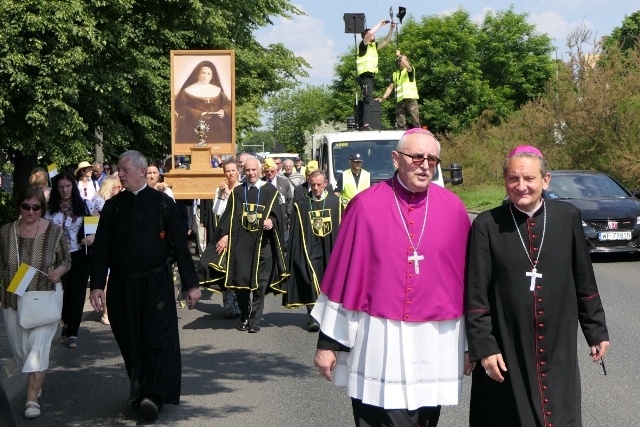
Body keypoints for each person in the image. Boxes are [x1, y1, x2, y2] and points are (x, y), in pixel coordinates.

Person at [312, 129, 472, 427]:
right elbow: (343, 275)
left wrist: (468, 345)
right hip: (378, 334)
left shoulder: (453, 208)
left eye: (432, 159)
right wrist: (327, 343)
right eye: (417, 157)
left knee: (425, 418)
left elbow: (470, 281)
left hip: (435, 336)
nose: (425, 165)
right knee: (377, 415)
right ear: (396, 159)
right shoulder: (365, 205)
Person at [465, 145, 610, 427]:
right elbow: (476, 292)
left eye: (529, 178)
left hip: (558, 343)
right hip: (507, 344)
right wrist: (483, 346)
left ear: (545, 180)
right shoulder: (487, 224)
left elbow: (584, 278)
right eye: (513, 179)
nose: (521, 186)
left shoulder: (567, 217)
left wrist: (596, 329)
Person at [89, 150, 201, 420]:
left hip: (156, 285)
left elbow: (180, 246)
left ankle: (153, 395)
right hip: (122, 285)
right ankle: (138, 389)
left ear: (142, 171)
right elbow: (101, 248)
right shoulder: (113, 207)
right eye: (119, 170)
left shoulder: (163, 203)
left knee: (156, 338)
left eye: (125, 170)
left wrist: (191, 285)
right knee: (128, 337)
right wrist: (96, 285)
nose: (120, 175)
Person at [0, 187, 71, 419]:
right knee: (22, 353)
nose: (31, 211)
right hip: (14, 300)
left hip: (45, 297)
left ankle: (31, 399)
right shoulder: (5, 233)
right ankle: (34, 382)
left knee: (38, 350)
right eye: (26, 206)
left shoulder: (54, 232)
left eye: (36, 207)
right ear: (18, 206)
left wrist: (59, 271)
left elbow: (66, 260)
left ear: (42, 208)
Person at [212, 157, 287, 333]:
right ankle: (244, 315)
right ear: (243, 171)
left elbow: (279, 216)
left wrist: (272, 221)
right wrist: (225, 236)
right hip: (242, 245)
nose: (251, 173)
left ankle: (255, 320)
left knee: (260, 285)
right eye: (248, 170)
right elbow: (228, 217)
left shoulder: (271, 191)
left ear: (260, 171)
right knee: (242, 284)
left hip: (263, 246)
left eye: (254, 170)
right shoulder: (238, 192)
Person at [277, 170, 342, 331]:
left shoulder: (335, 202)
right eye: (312, 184)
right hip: (309, 247)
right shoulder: (301, 203)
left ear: (326, 183)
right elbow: (296, 231)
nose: (316, 188)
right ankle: (313, 316)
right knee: (310, 279)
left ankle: (328, 315)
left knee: (328, 281)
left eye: (319, 184)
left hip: (330, 248)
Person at [48, 170, 98, 349]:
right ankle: (65, 321)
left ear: (73, 187)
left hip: (78, 255)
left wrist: (91, 237)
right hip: (57, 257)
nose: (65, 190)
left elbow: (95, 222)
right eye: (61, 187)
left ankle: (73, 332)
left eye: (68, 186)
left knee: (76, 294)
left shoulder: (84, 204)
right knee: (61, 293)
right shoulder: (49, 208)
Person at [200, 160, 242, 318]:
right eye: (228, 171)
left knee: (237, 270)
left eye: (233, 170)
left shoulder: (243, 189)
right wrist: (223, 195)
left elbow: (239, 210)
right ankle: (229, 303)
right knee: (222, 268)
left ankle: (241, 302)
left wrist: (229, 194)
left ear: (238, 171)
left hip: (239, 234)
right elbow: (217, 211)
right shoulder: (220, 190)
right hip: (222, 231)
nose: (230, 173)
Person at [175, 61, 231, 145]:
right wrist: (199, 114)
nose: (205, 76)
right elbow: (181, 106)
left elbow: (228, 104)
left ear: (212, 76)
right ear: (198, 74)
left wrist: (223, 111)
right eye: (203, 73)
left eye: (209, 74)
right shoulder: (187, 91)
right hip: (195, 129)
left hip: (217, 130)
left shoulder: (217, 90)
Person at [92, 175, 122, 326]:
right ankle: (106, 312)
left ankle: (110, 311)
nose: (121, 189)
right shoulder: (99, 202)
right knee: (107, 282)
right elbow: (93, 223)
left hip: (113, 245)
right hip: (103, 244)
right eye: (118, 187)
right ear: (111, 188)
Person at [357, 19, 395, 130]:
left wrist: (391, 29)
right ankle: (365, 125)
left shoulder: (373, 47)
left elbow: (386, 42)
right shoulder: (363, 46)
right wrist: (379, 24)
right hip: (364, 76)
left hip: (370, 76)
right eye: (373, 35)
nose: (375, 36)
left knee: (368, 100)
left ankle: (365, 123)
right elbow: (369, 34)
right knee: (368, 100)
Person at [376, 50, 421, 129]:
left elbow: (408, 67)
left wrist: (399, 56)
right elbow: (390, 87)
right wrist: (383, 98)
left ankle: (418, 134)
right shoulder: (395, 74)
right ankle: (402, 135)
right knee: (400, 122)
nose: (405, 61)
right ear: (399, 62)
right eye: (402, 60)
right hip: (400, 100)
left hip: (410, 98)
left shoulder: (410, 70)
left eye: (406, 60)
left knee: (415, 120)